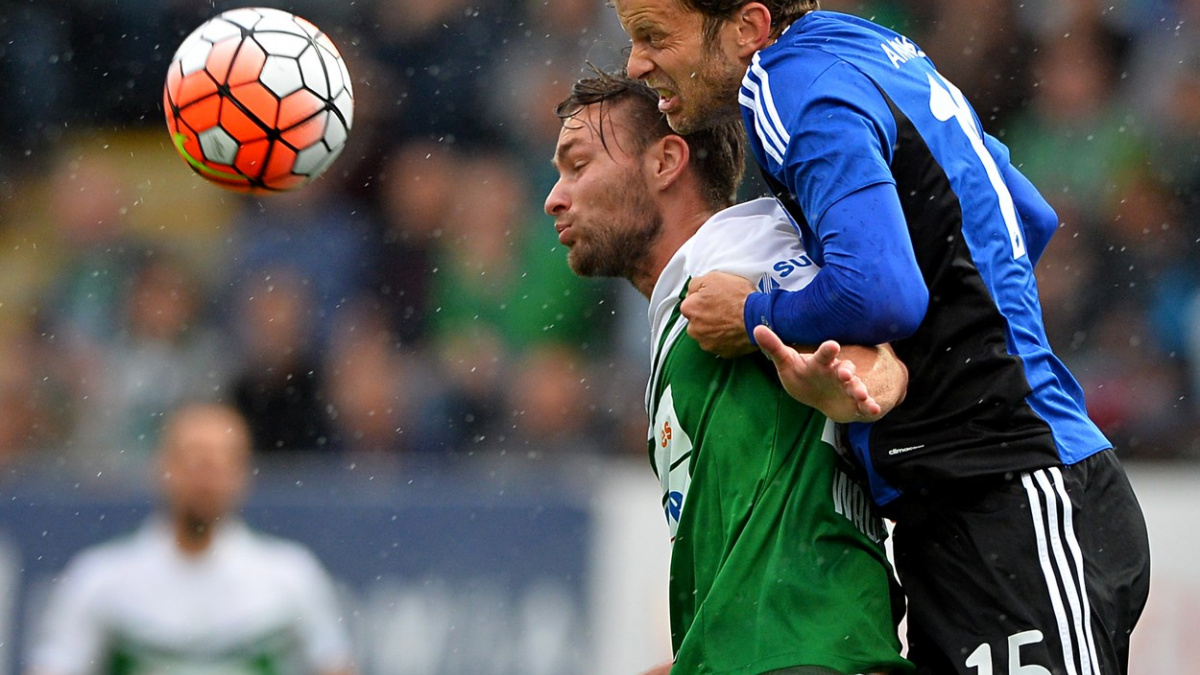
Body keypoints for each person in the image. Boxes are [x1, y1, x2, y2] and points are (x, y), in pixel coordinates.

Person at [609, 1, 1151, 673]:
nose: (636, 63)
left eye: (652, 36)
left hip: (1015, 490)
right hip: (968, 507)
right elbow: (1024, 213)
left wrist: (755, 313)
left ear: (748, 29)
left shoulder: (783, 80)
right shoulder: (875, 50)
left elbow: (883, 290)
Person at [545, 69, 913, 675]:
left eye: (578, 165)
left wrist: (859, 385)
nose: (555, 196)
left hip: (808, 658)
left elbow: (877, 359)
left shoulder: (741, 252)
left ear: (666, 162)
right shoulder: (686, 301)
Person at [26, 402, 355, 675]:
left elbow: (334, 664)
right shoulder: (100, 578)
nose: (205, 477)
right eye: (193, 459)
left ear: (242, 475)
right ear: (162, 467)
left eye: (219, 463)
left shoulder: (291, 576)